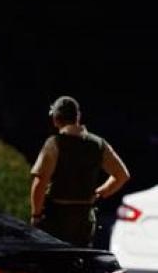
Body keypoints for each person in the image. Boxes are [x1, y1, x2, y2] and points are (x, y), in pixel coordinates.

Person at [30, 96, 130, 247]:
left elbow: (40, 182)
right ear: (78, 116)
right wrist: (100, 192)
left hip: (56, 218)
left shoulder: (54, 144)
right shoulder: (98, 144)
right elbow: (122, 175)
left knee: (54, 265)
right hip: (84, 218)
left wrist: (36, 215)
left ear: (56, 119)